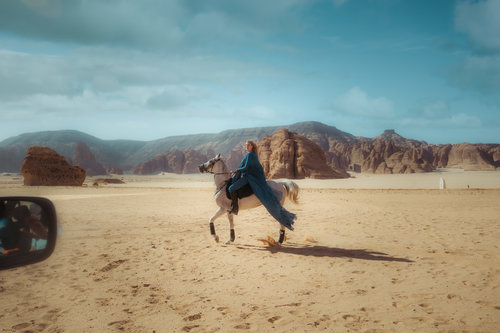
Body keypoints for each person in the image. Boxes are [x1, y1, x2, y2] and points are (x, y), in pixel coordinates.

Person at [228, 141, 296, 231]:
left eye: (248, 145)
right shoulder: (252, 155)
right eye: (246, 145)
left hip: (248, 177)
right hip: (248, 175)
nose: (247, 146)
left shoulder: (250, 155)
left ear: (252, 146)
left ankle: (235, 208)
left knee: (231, 188)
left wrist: (237, 170)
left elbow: (246, 168)